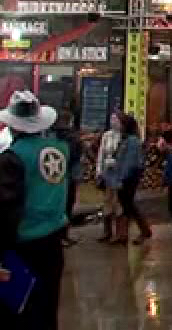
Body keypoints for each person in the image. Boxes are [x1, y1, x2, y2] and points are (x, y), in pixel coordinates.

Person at [0, 91, 71, 327]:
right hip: (53, 241)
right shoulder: (60, 150)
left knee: (19, 311)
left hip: (22, 246)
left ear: (14, 126)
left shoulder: (12, 158)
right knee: (48, 307)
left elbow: (6, 210)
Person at [112, 114, 151, 245]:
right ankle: (125, 233)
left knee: (129, 205)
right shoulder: (125, 139)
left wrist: (121, 178)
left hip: (129, 178)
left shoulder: (133, 141)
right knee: (126, 205)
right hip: (124, 176)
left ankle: (144, 230)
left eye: (120, 122)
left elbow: (130, 162)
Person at [53, 111, 82, 247]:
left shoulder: (52, 135)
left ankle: (56, 236)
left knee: (58, 205)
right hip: (70, 175)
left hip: (54, 174)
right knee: (67, 206)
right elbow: (75, 156)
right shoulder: (73, 137)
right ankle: (63, 236)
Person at [94, 110, 123, 243]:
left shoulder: (124, 136)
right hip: (107, 172)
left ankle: (119, 233)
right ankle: (107, 231)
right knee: (107, 201)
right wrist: (99, 171)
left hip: (119, 173)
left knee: (117, 202)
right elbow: (101, 154)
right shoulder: (106, 135)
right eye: (111, 119)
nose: (113, 122)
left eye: (115, 119)